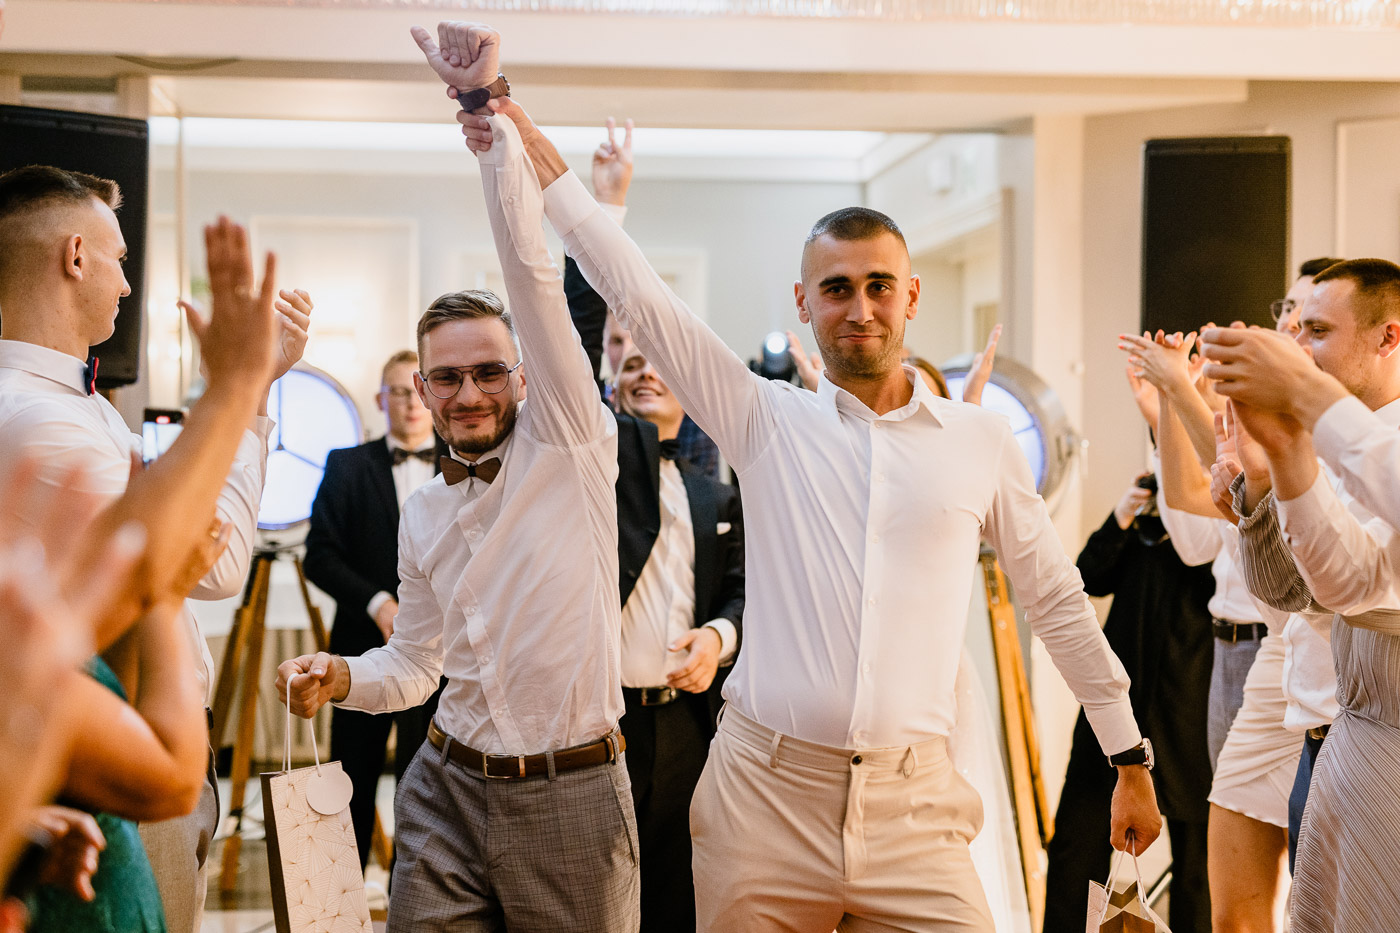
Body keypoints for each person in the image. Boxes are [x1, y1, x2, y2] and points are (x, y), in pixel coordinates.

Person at [450, 35, 1162, 931]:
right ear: (803, 302)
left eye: (879, 286)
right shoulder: (762, 417)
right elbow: (633, 288)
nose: (859, 308)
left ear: (910, 297)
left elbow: (1055, 599)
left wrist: (1128, 753)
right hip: (763, 802)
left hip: (916, 809)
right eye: (836, 288)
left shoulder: (980, 441)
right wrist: (513, 125)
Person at [279, 27, 639, 928]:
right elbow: (416, 663)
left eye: (488, 372)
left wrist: (487, 118)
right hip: (441, 786)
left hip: (570, 795)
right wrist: (342, 675)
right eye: (447, 377)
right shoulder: (424, 511)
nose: (468, 392)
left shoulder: (573, 444)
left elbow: (531, 275)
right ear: (422, 390)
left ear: (524, 377)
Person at [0, 164, 310, 933]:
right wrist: (244, 390)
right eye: (119, 258)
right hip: (123, 751)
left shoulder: (83, 406)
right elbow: (216, 564)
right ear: (75, 256)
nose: (128, 285)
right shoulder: (40, 418)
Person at [564, 122, 745, 932]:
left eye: (656, 357)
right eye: (625, 356)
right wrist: (607, 208)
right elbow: (573, 332)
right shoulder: (599, 458)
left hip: (689, 724)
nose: (640, 365)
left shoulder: (716, 490)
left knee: (678, 895)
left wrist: (718, 635)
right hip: (603, 720)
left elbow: (743, 590)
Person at [1200, 259, 1400, 931]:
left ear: (1388, 336)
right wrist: (1269, 471)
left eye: (1316, 330)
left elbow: (1335, 597)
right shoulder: (1331, 440)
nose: (1298, 345)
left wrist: (1302, 420)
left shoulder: (1375, 441)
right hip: (1330, 732)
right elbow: (1312, 590)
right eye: (1296, 326)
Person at [1121, 327, 1300, 933]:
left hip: (1282, 648)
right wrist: (1168, 403)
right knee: (1234, 871)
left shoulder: (1295, 436)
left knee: (1306, 875)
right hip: (1247, 656)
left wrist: (1177, 390)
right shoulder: (1240, 443)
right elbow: (1190, 502)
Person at [1043, 466, 1215, 933]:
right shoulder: (1142, 523)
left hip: (1192, 708)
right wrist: (1123, 515)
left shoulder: (1216, 517)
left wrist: (1187, 505)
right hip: (1119, 710)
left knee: (1199, 867)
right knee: (1077, 844)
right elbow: (1088, 576)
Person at [303, 348, 444, 869]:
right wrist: (379, 603)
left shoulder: (464, 464)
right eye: (398, 392)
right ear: (381, 400)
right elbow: (319, 555)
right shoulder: (347, 464)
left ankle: (415, 896)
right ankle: (344, 898)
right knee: (351, 782)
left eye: (416, 391)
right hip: (359, 650)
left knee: (425, 784)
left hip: (442, 656)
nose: (409, 404)